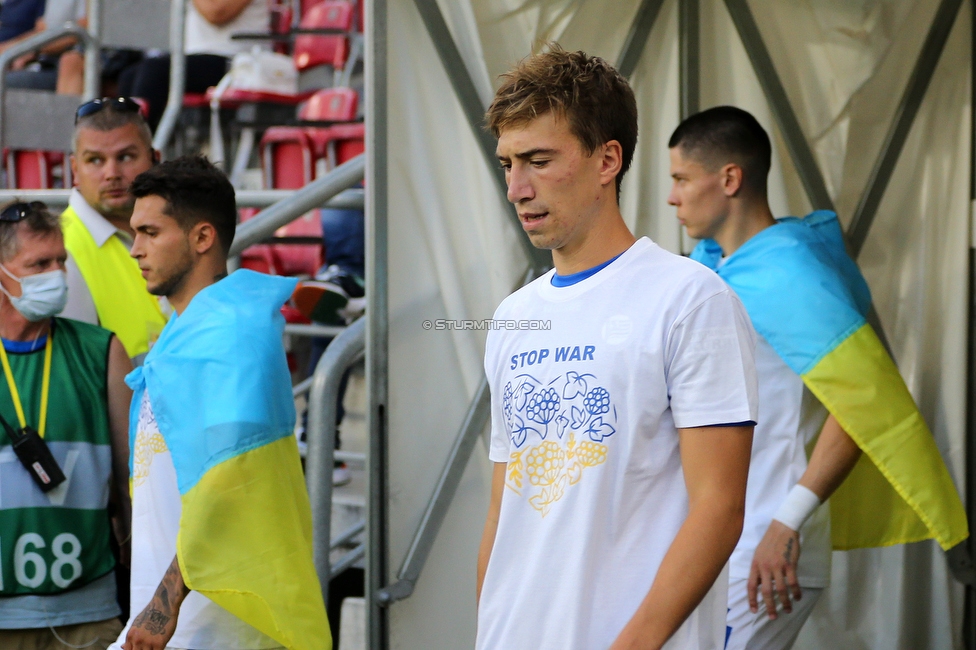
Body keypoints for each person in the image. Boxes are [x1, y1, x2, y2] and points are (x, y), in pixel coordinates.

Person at [476, 46, 758, 650]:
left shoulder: (690, 299)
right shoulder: (513, 316)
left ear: (608, 160)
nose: (516, 189)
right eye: (507, 164)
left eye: (539, 160)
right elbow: (505, 511)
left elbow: (719, 508)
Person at [668, 106, 969, 649]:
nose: (673, 197)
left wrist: (787, 523)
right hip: (718, 540)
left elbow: (862, 409)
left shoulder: (791, 274)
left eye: (682, 179)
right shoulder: (713, 271)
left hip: (766, 546)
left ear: (729, 179)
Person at [110, 156, 330, 650]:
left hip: (216, 625)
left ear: (202, 238)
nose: (134, 249)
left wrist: (163, 604)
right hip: (181, 623)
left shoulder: (232, 336)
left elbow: (228, 488)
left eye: (149, 232)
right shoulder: (186, 334)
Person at [0, 200, 132, 649]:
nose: (57, 274)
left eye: (61, 261)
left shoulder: (102, 352)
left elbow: (131, 476)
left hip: (89, 612)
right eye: (39, 263)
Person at [61, 97, 169, 363]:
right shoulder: (59, 249)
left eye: (125, 157)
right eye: (95, 160)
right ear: (75, 169)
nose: (112, 173)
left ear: (155, 159)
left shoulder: (179, 230)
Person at [117, 0, 269, 130]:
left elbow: (217, 13)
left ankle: (138, 149)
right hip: (198, 59)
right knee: (129, 76)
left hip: (238, 65)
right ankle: (128, 146)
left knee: (154, 71)